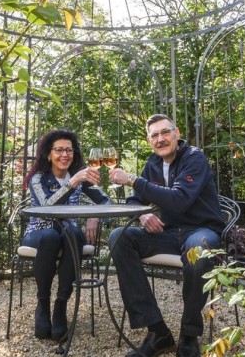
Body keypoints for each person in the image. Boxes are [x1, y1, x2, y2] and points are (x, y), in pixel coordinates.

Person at [108, 114, 225, 357]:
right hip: (169, 233)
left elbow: (179, 199)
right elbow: (134, 201)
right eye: (154, 135)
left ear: (177, 133)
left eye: (165, 133)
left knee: (199, 251)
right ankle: (158, 332)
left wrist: (131, 179)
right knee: (120, 236)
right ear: (149, 140)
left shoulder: (194, 158)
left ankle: (189, 334)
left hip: (202, 230)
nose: (160, 139)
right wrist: (142, 215)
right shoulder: (152, 164)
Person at [22, 129, 110, 342]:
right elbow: (46, 207)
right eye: (59, 150)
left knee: (72, 232)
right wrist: (73, 183)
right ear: (48, 154)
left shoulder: (79, 176)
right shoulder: (38, 178)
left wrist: (96, 217)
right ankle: (43, 304)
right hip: (39, 232)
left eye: (69, 150)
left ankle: (60, 306)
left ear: (74, 153)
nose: (64, 155)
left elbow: (106, 201)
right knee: (51, 236)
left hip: (68, 235)